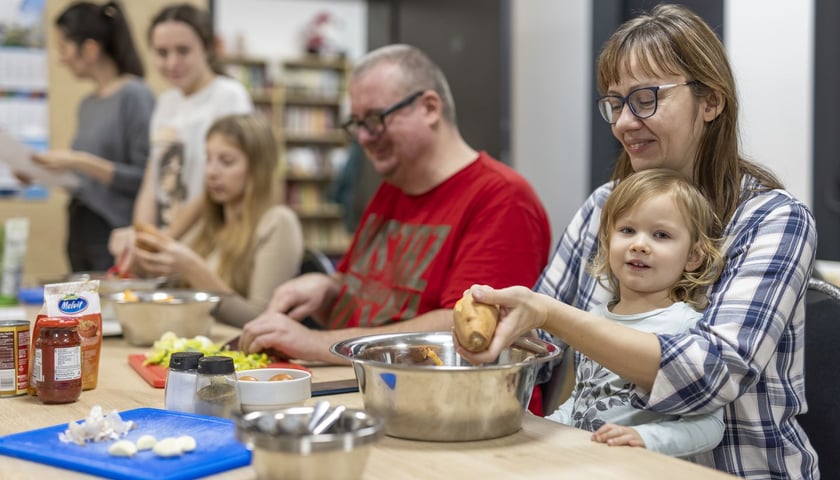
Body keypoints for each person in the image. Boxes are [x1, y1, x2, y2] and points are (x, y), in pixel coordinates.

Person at [460, 5, 819, 479]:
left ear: (710, 101)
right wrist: (497, 336)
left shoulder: (774, 219)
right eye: (615, 103)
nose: (624, 122)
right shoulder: (603, 206)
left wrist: (549, 314)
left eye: (646, 98)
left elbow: (709, 376)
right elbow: (537, 349)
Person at [239, 44, 551, 366]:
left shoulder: (503, 198)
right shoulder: (394, 186)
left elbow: (462, 332)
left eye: (375, 119)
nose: (363, 137)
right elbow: (359, 285)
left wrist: (316, 344)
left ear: (430, 108)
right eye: (357, 123)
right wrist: (327, 287)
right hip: (361, 383)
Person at [542, 168, 724, 458]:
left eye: (661, 235)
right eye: (627, 230)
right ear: (607, 241)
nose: (639, 244)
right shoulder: (592, 319)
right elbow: (581, 401)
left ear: (692, 256)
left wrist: (645, 438)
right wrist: (545, 429)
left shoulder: (685, 325)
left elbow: (710, 426)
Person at [109, 3, 253, 266]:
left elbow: (216, 184)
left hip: (208, 246)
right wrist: (141, 237)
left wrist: (163, 241)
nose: (172, 62)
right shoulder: (166, 102)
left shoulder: (228, 96)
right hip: (168, 246)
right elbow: (151, 182)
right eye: (162, 53)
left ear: (207, 48)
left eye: (183, 51)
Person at [132, 113, 303, 327]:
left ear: (258, 168)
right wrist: (142, 261)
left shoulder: (278, 222)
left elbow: (261, 320)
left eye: (226, 161)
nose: (211, 172)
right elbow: (172, 290)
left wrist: (193, 267)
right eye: (208, 159)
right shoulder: (209, 222)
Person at [26, 1, 155, 272]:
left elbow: (145, 179)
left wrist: (79, 160)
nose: (61, 58)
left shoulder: (135, 96)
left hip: (113, 232)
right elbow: (85, 182)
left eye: (64, 47)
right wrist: (37, 172)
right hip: (80, 224)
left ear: (91, 49)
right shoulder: (88, 104)